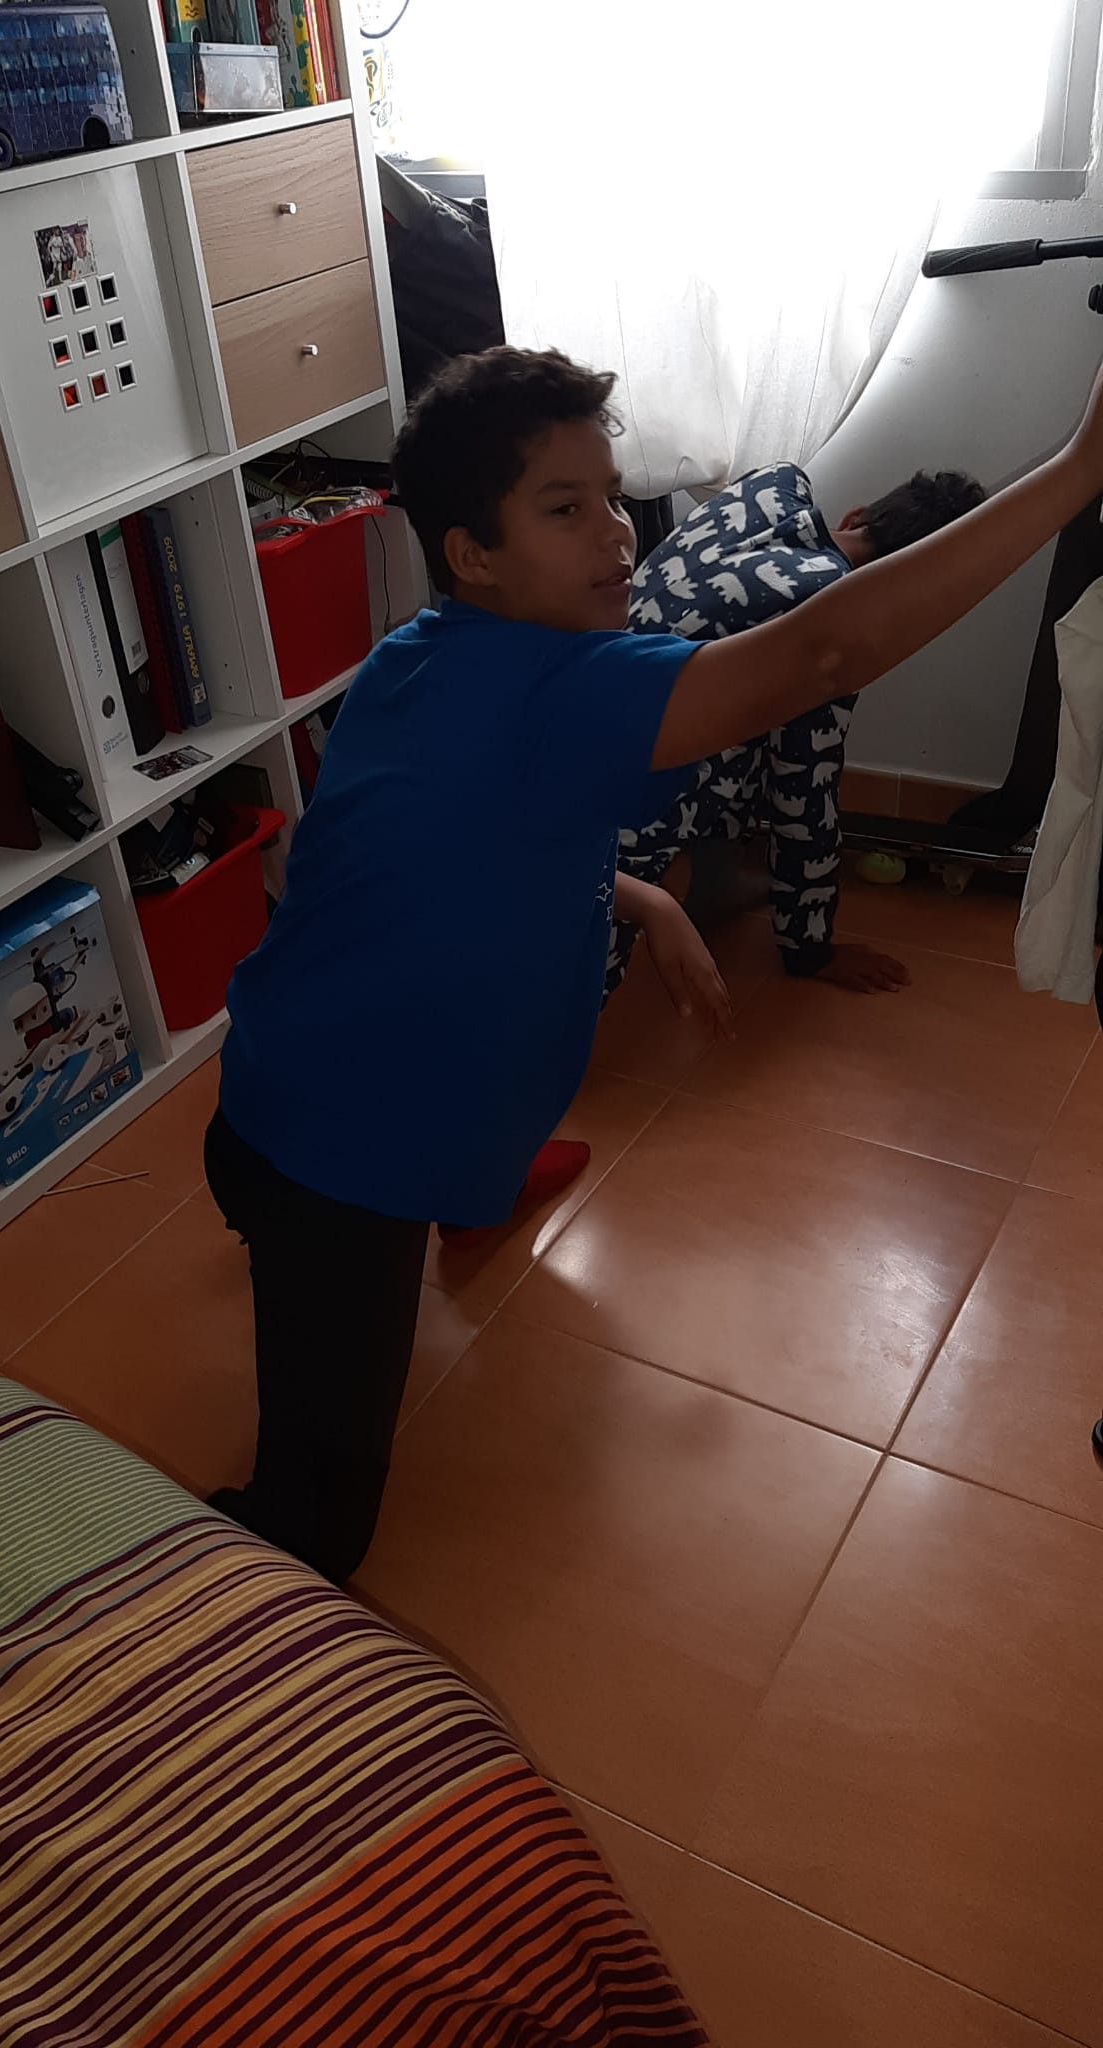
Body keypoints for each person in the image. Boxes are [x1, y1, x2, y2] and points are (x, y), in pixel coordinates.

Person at [204, 343, 1103, 1585]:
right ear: (473, 552)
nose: (616, 533)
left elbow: (468, 834)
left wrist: (643, 898)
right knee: (317, 1519)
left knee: (446, 1119)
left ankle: (473, 1183)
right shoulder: (567, 687)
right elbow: (822, 653)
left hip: (287, 1073)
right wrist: (1079, 469)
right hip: (337, 1159)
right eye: (564, 509)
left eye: (611, 498)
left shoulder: (423, 653)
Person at [608, 463, 986, 1003]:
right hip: (623, 806)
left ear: (856, 515)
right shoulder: (831, 627)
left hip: (585, 701)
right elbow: (804, 797)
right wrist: (811, 951)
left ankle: (712, 878)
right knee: (577, 971)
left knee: (747, 716)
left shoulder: (774, 485)